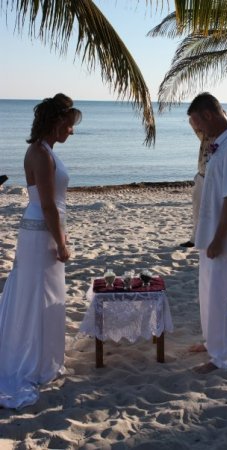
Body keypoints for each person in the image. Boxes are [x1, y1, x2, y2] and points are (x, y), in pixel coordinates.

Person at [0, 93, 82, 408]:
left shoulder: (44, 150)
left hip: (42, 229)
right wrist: (61, 243)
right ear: (56, 122)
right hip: (40, 231)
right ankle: (32, 360)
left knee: (45, 292)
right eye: (69, 124)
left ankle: (44, 355)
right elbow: (48, 205)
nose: (71, 131)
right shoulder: (41, 154)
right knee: (37, 293)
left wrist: (60, 234)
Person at [187, 92, 227, 374]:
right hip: (208, 234)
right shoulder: (218, 146)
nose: (198, 130)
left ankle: (223, 358)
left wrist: (219, 238)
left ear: (209, 115)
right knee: (208, 294)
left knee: (223, 297)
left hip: (221, 239)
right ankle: (212, 343)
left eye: (198, 123)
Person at [180, 123, 214, 248]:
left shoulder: (225, 138)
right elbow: (192, 122)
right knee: (197, 210)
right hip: (201, 175)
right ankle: (195, 239)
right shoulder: (205, 135)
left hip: (216, 178)